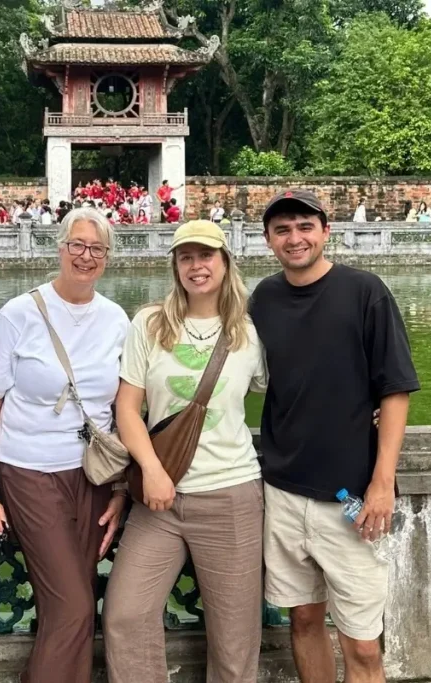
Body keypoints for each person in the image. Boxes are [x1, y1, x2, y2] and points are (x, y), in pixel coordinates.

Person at [250, 190, 419, 683]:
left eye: (305, 226)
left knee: (363, 644)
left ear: (326, 231)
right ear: (268, 241)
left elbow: (395, 390)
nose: (294, 238)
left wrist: (382, 482)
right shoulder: (263, 298)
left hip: (350, 495)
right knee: (303, 619)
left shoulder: (366, 292)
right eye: (282, 230)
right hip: (281, 487)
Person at [102, 220, 268, 683]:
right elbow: (128, 409)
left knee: (234, 639)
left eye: (206, 255)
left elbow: (291, 392)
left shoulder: (250, 335)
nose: (197, 266)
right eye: (186, 257)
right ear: (175, 266)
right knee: (125, 614)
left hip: (231, 493)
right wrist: (152, 470)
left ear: (225, 262)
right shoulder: (150, 324)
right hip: (160, 498)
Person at [0, 207, 129, 683]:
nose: (86, 256)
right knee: (74, 605)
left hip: (95, 475)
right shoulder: (20, 314)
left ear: (107, 258)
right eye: (77, 245)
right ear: (59, 248)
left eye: (97, 248)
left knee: (75, 600)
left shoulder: (117, 320)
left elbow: (123, 412)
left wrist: (121, 490)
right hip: (31, 472)